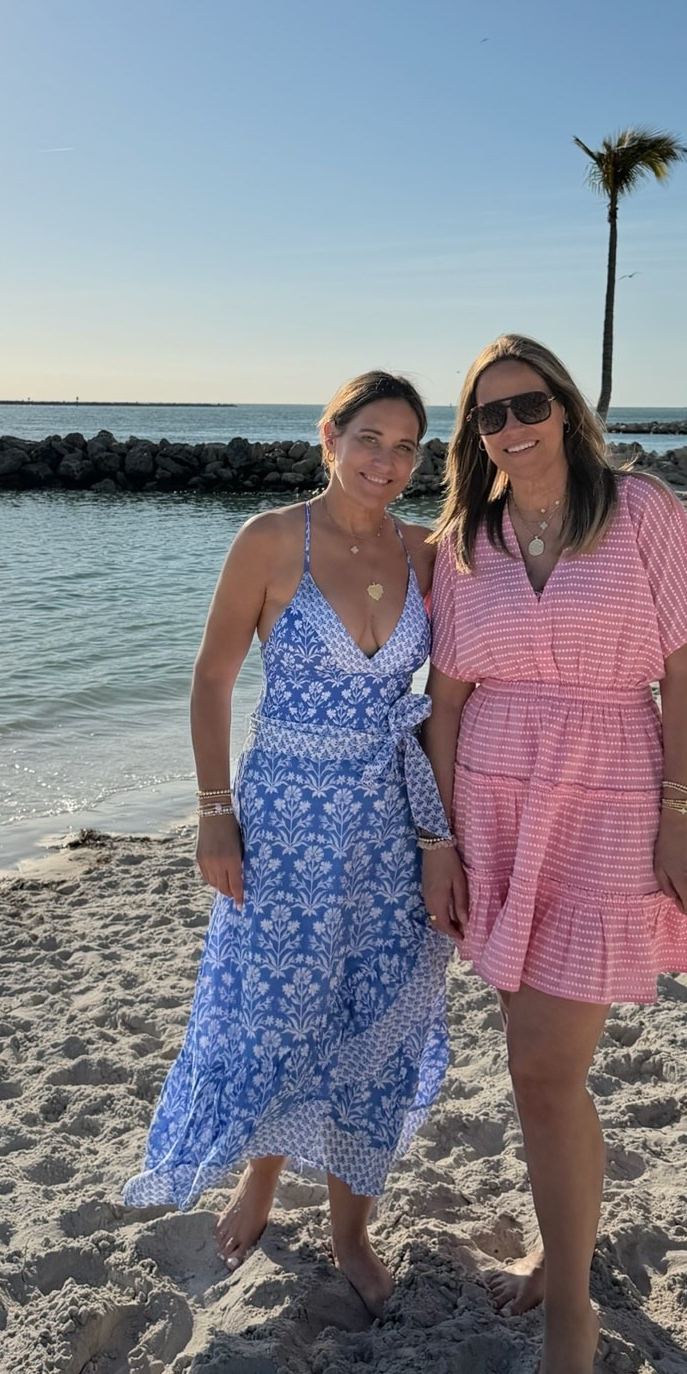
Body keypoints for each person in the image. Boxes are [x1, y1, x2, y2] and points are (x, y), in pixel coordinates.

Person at [421, 334, 687, 1374]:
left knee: (546, 1067)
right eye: (489, 416)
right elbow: (447, 703)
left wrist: (682, 819)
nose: (512, 427)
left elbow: (685, 668)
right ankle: (565, 1247)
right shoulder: (467, 541)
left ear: (564, 405)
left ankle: (570, 1312)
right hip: (499, 812)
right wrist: (444, 839)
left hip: (609, 795)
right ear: (477, 437)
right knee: (538, 1064)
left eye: (528, 405)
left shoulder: (639, 508)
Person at [123, 372, 452, 1313]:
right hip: (286, 816)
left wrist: (445, 835)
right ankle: (259, 1180)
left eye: (406, 448)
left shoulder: (428, 552)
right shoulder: (271, 540)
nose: (386, 464)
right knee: (278, 1006)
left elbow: (478, 674)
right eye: (370, 440)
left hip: (392, 820)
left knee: (375, 1012)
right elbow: (212, 679)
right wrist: (213, 810)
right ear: (329, 436)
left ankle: (351, 1226)